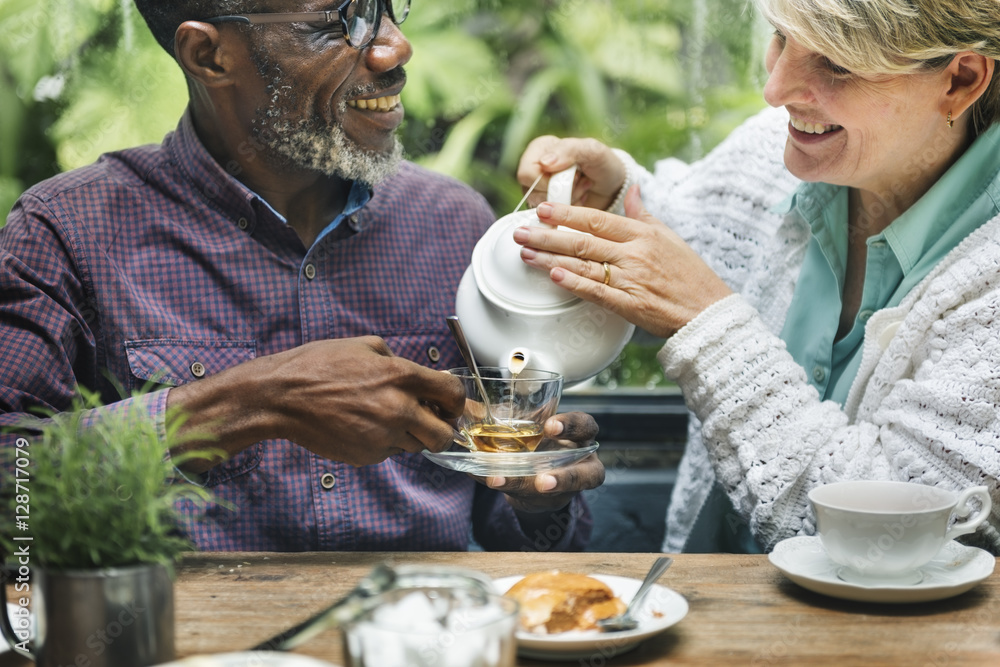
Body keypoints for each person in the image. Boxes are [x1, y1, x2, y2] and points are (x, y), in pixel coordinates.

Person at [0, 0, 605, 552]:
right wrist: (252, 402)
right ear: (208, 55)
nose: (395, 48)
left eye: (389, 8)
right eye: (339, 23)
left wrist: (539, 494)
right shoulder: (67, 232)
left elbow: (521, 543)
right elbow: (11, 486)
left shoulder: (452, 223)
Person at [513, 0, 1000, 554]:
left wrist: (708, 327)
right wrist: (616, 197)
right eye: (781, 40)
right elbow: (705, 236)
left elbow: (887, 541)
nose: (776, 88)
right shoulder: (780, 146)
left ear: (960, 80)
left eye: (836, 64)